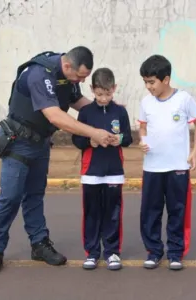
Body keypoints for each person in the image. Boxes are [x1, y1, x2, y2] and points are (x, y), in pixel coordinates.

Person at [0, 46, 118, 274]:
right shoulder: (39, 74)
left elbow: (79, 102)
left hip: (41, 142)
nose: (81, 81)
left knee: (35, 196)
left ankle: (39, 244)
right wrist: (93, 132)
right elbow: (56, 116)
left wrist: (110, 111)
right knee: (11, 198)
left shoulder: (68, 77)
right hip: (19, 142)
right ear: (67, 66)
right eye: (80, 77)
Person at [137, 54, 196, 271]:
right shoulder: (146, 102)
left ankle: (175, 252)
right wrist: (142, 141)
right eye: (145, 82)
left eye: (151, 82)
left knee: (177, 210)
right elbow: (143, 126)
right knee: (151, 211)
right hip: (152, 167)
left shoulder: (183, 99)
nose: (148, 87)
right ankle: (154, 251)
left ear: (165, 79)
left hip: (177, 167)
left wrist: (194, 151)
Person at [71, 68, 133, 271]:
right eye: (99, 94)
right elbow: (77, 139)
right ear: (92, 90)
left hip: (114, 171)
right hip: (91, 174)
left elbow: (128, 138)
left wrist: (119, 139)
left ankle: (112, 252)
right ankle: (92, 253)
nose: (104, 98)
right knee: (92, 213)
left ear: (114, 89)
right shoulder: (86, 112)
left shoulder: (120, 111)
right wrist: (91, 141)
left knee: (113, 213)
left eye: (107, 93)